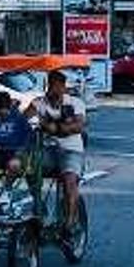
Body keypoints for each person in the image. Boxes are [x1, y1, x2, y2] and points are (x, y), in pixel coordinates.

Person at [25, 69, 87, 232]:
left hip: (71, 151)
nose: (55, 90)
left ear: (64, 87)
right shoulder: (39, 103)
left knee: (69, 180)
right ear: (47, 86)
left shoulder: (75, 103)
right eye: (52, 86)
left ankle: (71, 219)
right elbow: (24, 120)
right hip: (48, 150)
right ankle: (39, 208)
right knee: (31, 170)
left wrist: (56, 127)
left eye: (59, 86)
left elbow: (79, 126)